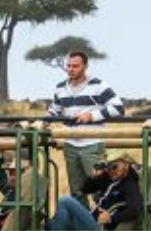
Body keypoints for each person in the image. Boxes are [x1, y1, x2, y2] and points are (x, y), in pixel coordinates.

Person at [47, 50, 124, 197]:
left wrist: (91, 116)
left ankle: (102, 213)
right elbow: (54, 111)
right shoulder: (60, 87)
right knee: (77, 191)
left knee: (99, 190)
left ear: (85, 66)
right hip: (70, 145)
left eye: (75, 66)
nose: (71, 69)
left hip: (92, 144)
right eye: (68, 66)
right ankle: (80, 214)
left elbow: (118, 108)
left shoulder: (98, 85)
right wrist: (42, 123)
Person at [47, 152, 142, 231]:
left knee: (65, 201)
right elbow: (85, 189)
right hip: (92, 218)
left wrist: (111, 218)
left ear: (126, 164)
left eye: (115, 166)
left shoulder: (130, 184)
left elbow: (135, 209)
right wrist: (94, 177)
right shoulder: (109, 176)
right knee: (58, 220)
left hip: (100, 227)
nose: (112, 170)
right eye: (109, 166)